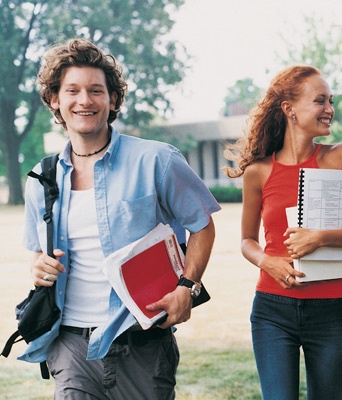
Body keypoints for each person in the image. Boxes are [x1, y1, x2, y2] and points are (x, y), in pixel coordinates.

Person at [22, 38, 220, 399]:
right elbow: (38, 254)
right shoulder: (41, 177)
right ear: (55, 99)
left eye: (96, 90)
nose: (85, 100)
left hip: (141, 343)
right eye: (73, 90)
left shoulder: (158, 160)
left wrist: (186, 288)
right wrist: (38, 267)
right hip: (70, 345)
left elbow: (203, 225)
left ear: (112, 99)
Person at [224, 65, 342, 400]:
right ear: (290, 109)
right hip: (272, 310)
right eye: (321, 101)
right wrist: (267, 261)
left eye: (331, 101)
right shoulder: (258, 172)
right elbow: (246, 241)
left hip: (332, 310)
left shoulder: (341, 156)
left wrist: (320, 237)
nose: (330, 109)